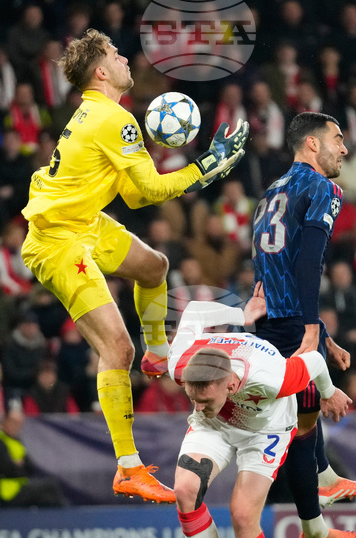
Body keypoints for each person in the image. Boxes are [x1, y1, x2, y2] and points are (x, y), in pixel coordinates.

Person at [19, 30, 249, 503]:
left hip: (81, 222)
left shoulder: (99, 115)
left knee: (154, 267)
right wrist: (207, 165)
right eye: (116, 54)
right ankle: (128, 467)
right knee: (116, 351)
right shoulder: (114, 119)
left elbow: (136, 195)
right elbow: (157, 191)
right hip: (58, 241)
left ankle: (159, 353)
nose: (126, 58)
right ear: (101, 71)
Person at [170, 301, 356, 538]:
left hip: (266, 431)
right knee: (184, 490)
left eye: (204, 396)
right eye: (192, 396)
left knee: (243, 517)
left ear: (230, 382)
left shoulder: (271, 375)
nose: (196, 403)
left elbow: (317, 362)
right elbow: (195, 311)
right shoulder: (182, 365)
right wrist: (239, 315)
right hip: (217, 425)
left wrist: (327, 393)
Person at [251, 112, 356, 536]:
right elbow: (308, 264)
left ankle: (324, 482)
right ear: (312, 145)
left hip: (269, 323)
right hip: (290, 326)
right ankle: (314, 529)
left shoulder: (271, 191)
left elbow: (275, 269)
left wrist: (323, 333)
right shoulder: (323, 188)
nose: (344, 148)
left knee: (302, 421)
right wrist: (310, 329)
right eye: (337, 139)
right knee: (303, 425)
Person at [0, 409, 67, 507]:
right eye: (14, 423)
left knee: (48, 495)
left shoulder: (15, 440)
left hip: (20, 484)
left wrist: (19, 466)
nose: (17, 427)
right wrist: (19, 467)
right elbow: (6, 469)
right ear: (5, 421)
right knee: (50, 487)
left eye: (19, 424)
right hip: (7, 490)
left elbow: (30, 466)